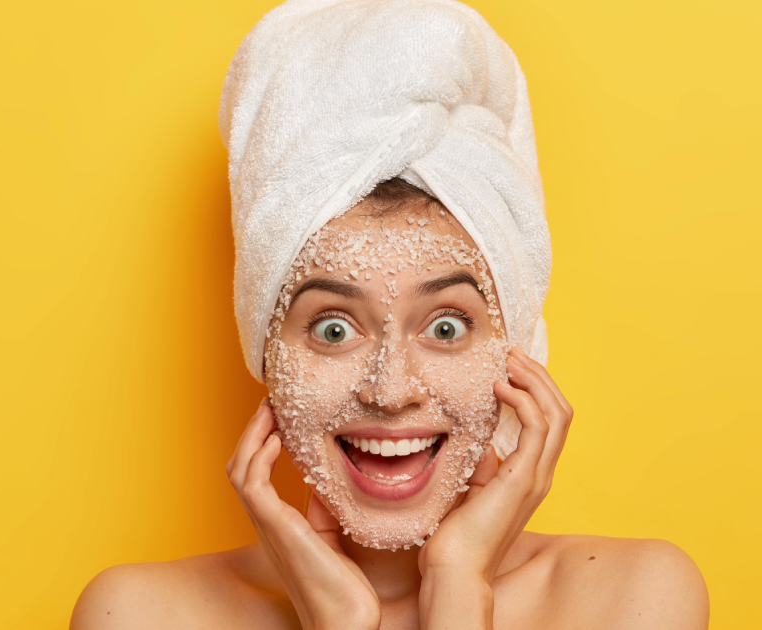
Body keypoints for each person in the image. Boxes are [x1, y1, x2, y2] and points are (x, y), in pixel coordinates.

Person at [72, 1, 708, 628]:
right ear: (265, 348)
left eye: (446, 327)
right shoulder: (138, 613)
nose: (391, 390)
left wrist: (459, 588)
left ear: (516, 344)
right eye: (333, 329)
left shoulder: (633, 600)